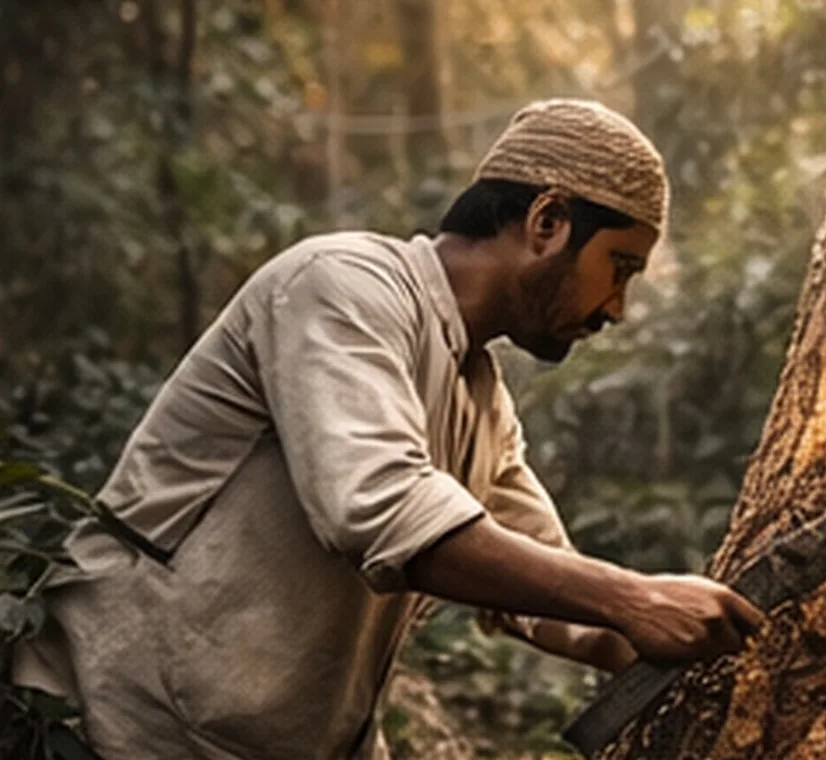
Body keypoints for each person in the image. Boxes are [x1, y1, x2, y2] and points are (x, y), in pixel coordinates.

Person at [12, 99, 764, 759]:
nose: (618, 307)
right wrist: (634, 598)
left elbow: (543, 581)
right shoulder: (340, 285)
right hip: (106, 728)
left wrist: (707, 643)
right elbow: (377, 508)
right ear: (547, 221)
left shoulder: (480, 402)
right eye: (620, 266)